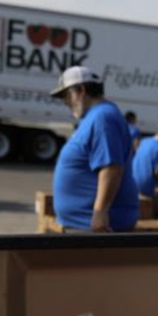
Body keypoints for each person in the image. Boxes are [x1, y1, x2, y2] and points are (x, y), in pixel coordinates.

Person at [50, 66, 139, 232]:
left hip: (94, 228)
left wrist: (100, 213)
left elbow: (111, 168)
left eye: (66, 95)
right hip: (84, 226)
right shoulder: (95, 117)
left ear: (81, 90)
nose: (65, 102)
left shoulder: (103, 117)